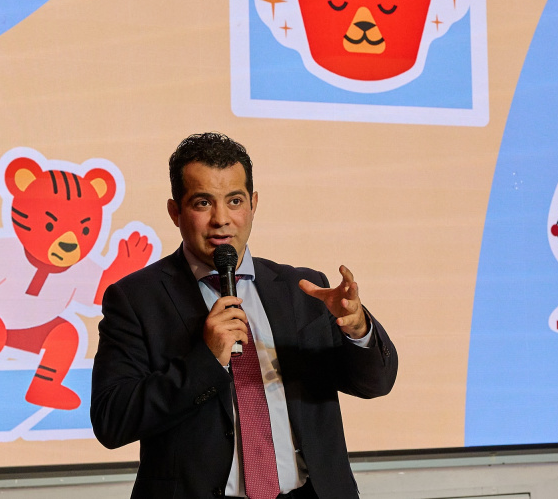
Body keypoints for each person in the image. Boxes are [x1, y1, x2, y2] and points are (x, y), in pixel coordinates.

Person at [90, 133, 397, 499]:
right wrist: (206, 360)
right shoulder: (136, 299)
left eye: (234, 201)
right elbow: (111, 421)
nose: (221, 220)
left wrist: (359, 330)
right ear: (175, 212)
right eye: (203, 203)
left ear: (253, 204)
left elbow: (375, 384)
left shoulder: (303, 289)